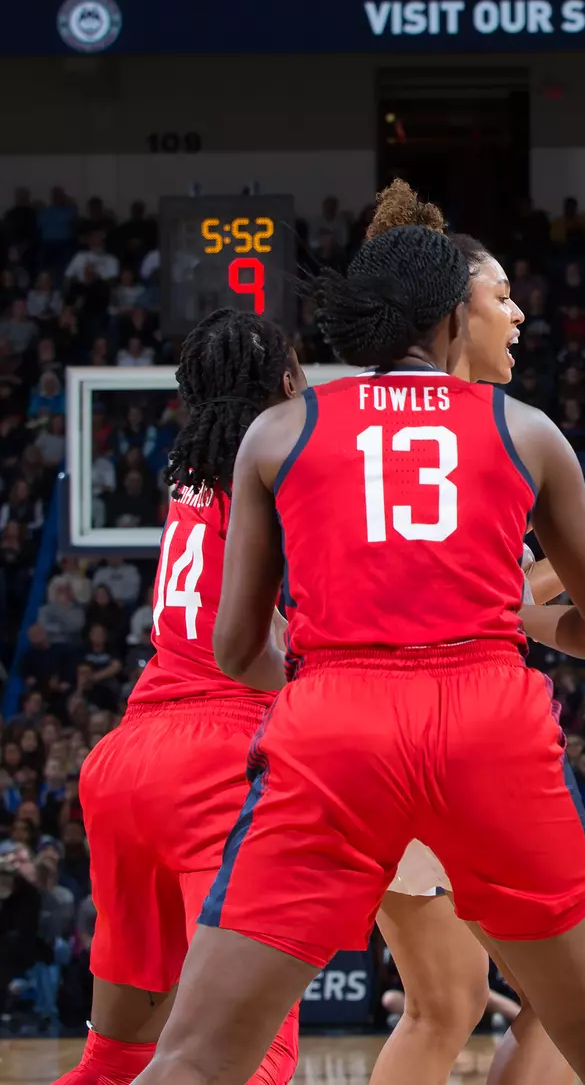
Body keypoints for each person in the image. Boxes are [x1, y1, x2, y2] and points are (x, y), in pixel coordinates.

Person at [130, 222, 585, 1084]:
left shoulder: (277, 432)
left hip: (334, 726)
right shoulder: (527, 429)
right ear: (452, 321)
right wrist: (530, 624)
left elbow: (238, 649)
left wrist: (330, 687)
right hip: (488, 720)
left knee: (196, 1059)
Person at [356, 182, 585, 1085]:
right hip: (465, 733)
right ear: (453, 312)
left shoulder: (359, 421)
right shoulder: (494, 433)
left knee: (441, 1006)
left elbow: (445, 598)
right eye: (501, 296)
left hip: (362, 741)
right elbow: (479, 613)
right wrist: (579, 554)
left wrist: (557, 563)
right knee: (575, 1010)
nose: (519, 312)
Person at [55, 310, 307, 1085]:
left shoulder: (193, 475)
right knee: (253, 1058)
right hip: (221, 762)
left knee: (115, 1056)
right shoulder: (275, 473)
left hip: (130, 759)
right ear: (284, 384)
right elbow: (260, 646)